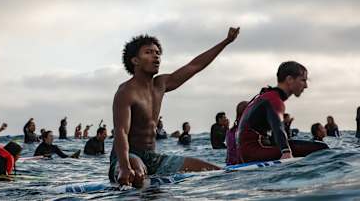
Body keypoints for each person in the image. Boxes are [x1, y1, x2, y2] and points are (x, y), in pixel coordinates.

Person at [110, 27, 240, 187]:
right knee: (137, 170)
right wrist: (124, 167)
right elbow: (121, 132)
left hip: (152, 158)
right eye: (149, 52)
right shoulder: (126, 92)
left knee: (214, 171)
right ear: (135, 60)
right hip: (126, 157)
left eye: (158, 53)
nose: (156, 56)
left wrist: (226, 41)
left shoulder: (161, 85)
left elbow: (195, 66)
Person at [237, 61, 329, 163]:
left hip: (250, 152)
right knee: (321, 148)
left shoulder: (267, 95)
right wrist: (286, 152)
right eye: (303, 80)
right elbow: (277, 126)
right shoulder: (274, 99)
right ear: (289, 79)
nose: (306, 86)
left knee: (303, 145)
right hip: (255, 153)